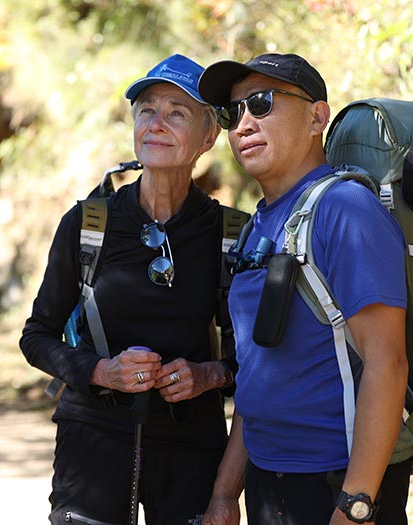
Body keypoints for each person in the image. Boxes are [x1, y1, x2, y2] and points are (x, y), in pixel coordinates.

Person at [20, 53, 246, 525]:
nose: (156, 124)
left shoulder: (230, 235)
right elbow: (36, 336)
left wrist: (209, 376)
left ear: (208, 137)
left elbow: (255, 358)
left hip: (191, 446)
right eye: (147, 109)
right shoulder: (88, 224)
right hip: (93, 439)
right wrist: (102, 371)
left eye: (176, 113)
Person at [196, 53, 411, 524]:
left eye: (262, 103)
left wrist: (355, 506)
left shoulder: (346, 209)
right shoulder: (259, 226)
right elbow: (257, 375)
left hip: (336, 486)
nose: (244, 124)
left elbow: (387, 363)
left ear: (317, 117)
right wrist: (225, 492)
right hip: (269, 484)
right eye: (232, 113)